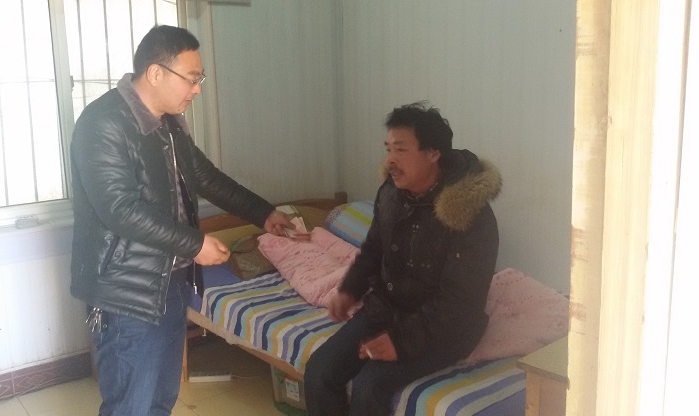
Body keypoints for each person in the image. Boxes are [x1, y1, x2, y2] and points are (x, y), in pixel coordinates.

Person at [69, 25, 294, 416]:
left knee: (160, 400)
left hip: (171, 283)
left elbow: (205, 177)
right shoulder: (102, 123)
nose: (197, 90)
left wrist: (264, 213)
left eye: (199, 79)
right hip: (127, 293)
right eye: (192, 78)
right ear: (156, 73)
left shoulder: (169, 122)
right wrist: (196, 243)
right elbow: (120, 210)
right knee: (131, 407)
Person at [304, 102, 502, 416]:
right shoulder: (391, 194)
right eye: (388, 149)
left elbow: (460, 302)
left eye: (401, 149)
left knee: (370, 386)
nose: (390, 160)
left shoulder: (469, 214)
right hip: (384, 310)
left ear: (433, 153)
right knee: (319, 371)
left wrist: (400, 341)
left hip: (446, 329)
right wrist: (349, 290)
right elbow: (373, 250)